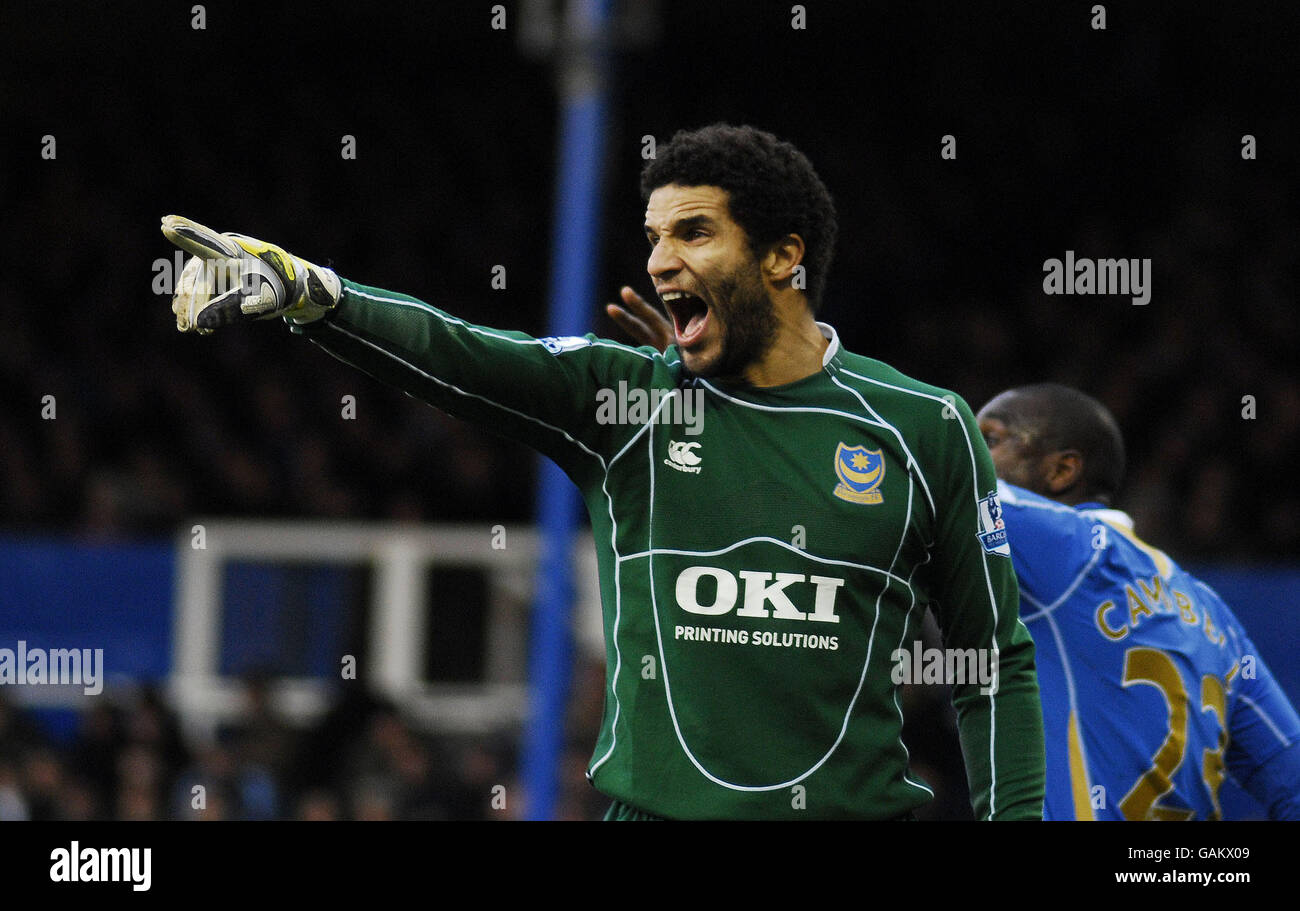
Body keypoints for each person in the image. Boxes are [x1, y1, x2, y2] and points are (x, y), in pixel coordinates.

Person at [161, 123, 1044, 820]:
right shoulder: (624, 402)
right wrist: (319, 296)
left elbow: (992, 663)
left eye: (695, 231)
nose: (660, 260)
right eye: (656, 236)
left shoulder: (923, 426)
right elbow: (463, 352)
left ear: (784, 255)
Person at [976, 384, 1300, 820]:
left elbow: (946, 484)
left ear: (1062, 471)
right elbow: (1291, 777)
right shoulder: (1211, 609)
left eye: (990, 440)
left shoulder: (1069, 550)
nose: (973, 453)